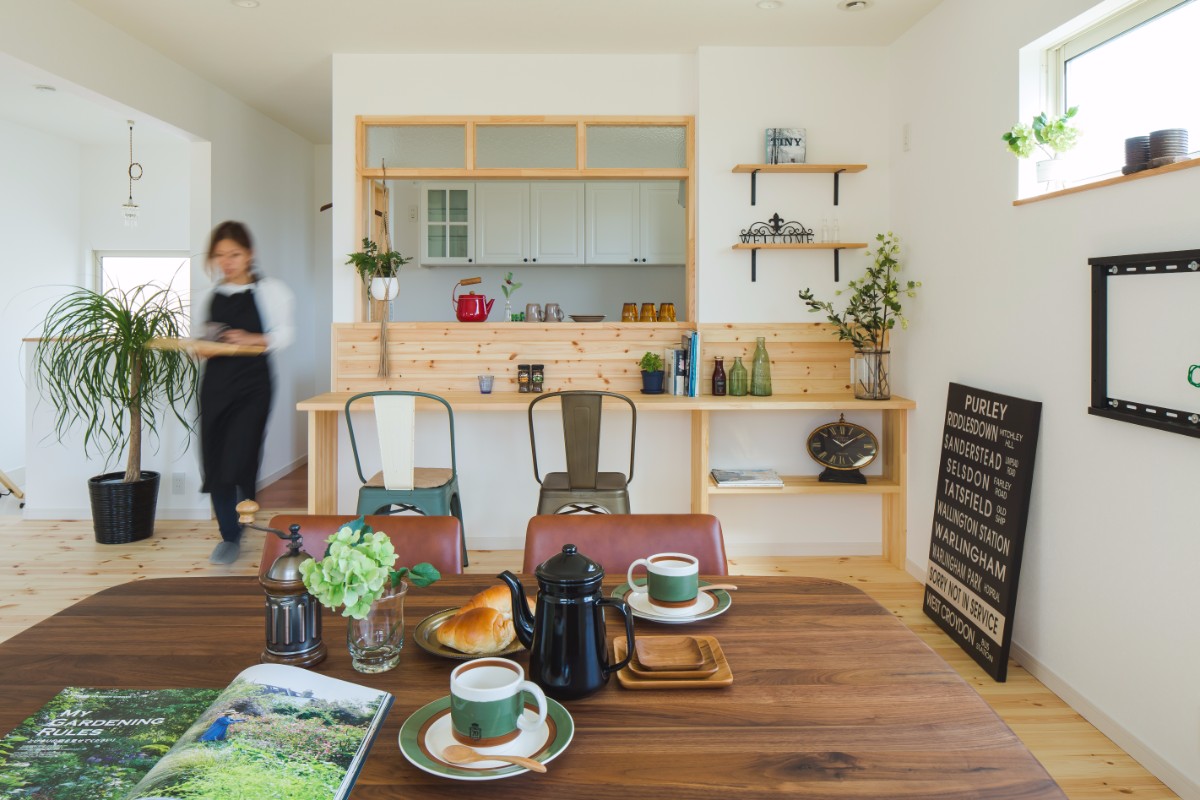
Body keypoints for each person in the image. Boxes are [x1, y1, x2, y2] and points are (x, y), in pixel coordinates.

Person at [198, 221, 294, 564]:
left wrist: (251, 338)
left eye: (234, 254)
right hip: (215, 385)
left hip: (253, 385)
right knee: (214, 457)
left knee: (240, 454)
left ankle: (242, 521)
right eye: (220, 255)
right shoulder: (209, 295)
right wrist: (203, 347)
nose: (227, 262)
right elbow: (206, 338)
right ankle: (229, 536)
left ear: (249, 254)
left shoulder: (272, 291)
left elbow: (285, 334)